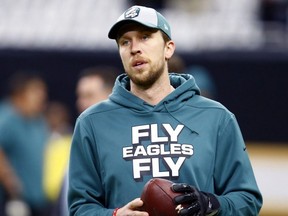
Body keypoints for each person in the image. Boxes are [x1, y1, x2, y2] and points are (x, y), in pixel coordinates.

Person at [68, 5, 262, 216]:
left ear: (168, 48)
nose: (134, 48)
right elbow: (79, 208)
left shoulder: (216, 117)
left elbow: (248, 200)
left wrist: (210, 203)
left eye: (145, 37)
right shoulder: (92, 123)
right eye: (125, 41)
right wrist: (115, 215)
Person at [0, 72, 51, 216]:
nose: (42, 96)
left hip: (39, 199)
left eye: (43, 91)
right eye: (36, 91)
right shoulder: (7, 117)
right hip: (15, 201)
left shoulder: (39, 119)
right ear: (19, 94)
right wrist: (12, 184)